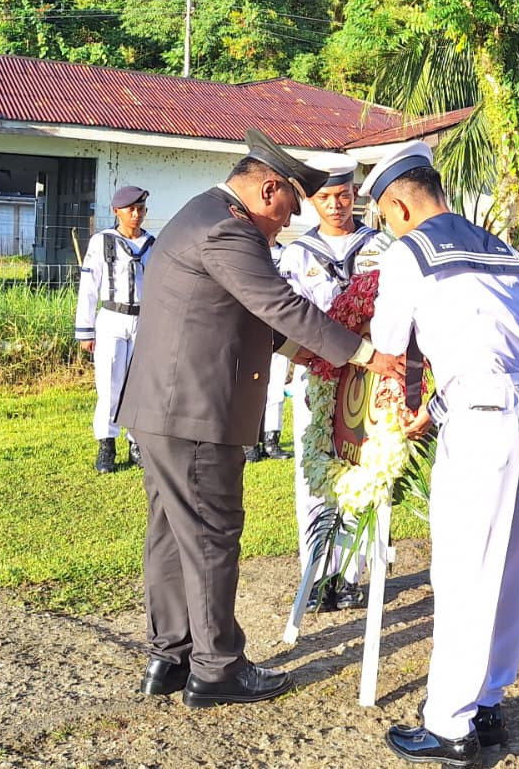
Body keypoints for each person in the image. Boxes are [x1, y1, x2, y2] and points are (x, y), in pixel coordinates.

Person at [115, 129, 405, 709]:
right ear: (268, 188)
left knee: (173, 535)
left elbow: (254, 321)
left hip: (165, 410)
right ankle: (216, 668)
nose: (283, 227)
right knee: (211, 535)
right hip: (196, 414)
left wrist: (315, 358)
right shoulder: (227, 227)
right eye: (286, 212)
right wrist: (367, 355)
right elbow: (279, 303)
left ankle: (169, 655)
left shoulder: (201, 215)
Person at [360, 142, 519, 767]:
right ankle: (489, 705)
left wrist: (398, 402)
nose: (389, 227)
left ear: (398, 204)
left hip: (482, 420)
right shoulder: (498, 247)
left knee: (463, 570)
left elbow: (391, 347)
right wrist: (436, 408)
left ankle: (450, 725)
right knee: (512, 566)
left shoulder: (408, 255)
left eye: (386, 217)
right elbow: (489, 341)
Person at [277, 150, 393, 613]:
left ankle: (350, 576)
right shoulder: (296, 254)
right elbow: (288, 318)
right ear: (312, 202)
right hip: (318, 378)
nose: (337, 205)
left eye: (344, 196)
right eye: (326, 197)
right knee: (316, 474)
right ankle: (317, 572)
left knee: (365, 469)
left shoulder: (381, 247)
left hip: (369, 381)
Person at [74, 185, 154, 473]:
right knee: (109, 385)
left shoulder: (151, 244)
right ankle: (107, 443)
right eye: (130, 209)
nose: (136, 214)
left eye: (141, 208)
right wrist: (85, 330)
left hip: (143, 320)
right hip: (112, 318)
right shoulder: (102, 242)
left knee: (139, 386)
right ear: (116, 211)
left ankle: (136, 442)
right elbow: (89, 287)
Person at [244, 240, 296, 463]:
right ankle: (248, 441)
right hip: (252, 329)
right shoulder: (247, 250)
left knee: (276, 387)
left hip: (280, 328)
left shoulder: (288, 255)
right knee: (249, 388)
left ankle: (271, 438)